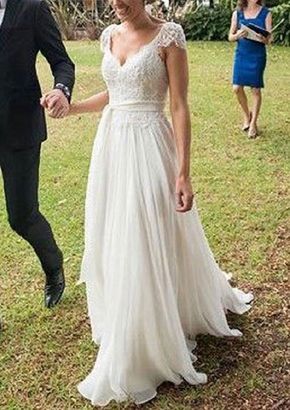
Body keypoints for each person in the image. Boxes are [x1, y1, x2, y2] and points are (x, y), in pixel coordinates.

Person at [60, 0, 253, 406]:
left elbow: (179, 106)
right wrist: (72, 107)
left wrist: (183, 173)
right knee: (116, 230)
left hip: (151, 146)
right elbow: (114, 95)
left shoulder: (170, 37)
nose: (117, 5)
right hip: (112, 148)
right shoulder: (109, 36)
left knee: (149, 232)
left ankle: (148, 334)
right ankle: (127, 317)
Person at [0, 0, 75, 309]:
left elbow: (62, 62)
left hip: (19, 128)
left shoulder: (32, 7)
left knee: (22, 216)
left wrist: (60, 90)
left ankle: (53, 265)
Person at [229, 0, 272, 138]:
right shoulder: (237, 13)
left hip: (257, 56)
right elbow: (230, 37)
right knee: (236, 88)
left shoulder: (266, 13)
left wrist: (264, 38)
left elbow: (269, 39)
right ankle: (247, 115)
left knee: (255, 89)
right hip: (241, 55)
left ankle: (253, 124)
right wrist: (238, 35)